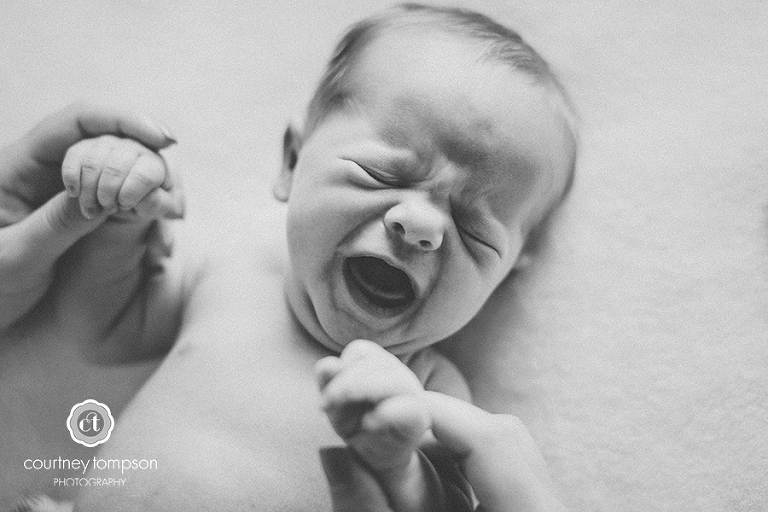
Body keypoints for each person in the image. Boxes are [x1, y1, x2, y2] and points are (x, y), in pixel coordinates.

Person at [4, 4, 577, 511]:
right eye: (383, 174)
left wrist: (396, 461)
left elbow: (437, 504)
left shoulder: (430, 386)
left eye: (475, 230)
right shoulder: (238, 271)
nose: (421, 225)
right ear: (293, 161)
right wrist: (117, 215)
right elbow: (101, 329)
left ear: (504, 277)